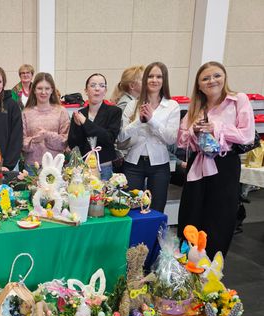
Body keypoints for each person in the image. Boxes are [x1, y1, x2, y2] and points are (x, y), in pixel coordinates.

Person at [177, 61, 255, 258]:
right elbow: (181, 140)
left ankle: (212, 263)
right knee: (191, 213)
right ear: (199, 85)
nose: (212, 80)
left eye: (217, 75)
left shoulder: (238, 100)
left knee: (219, 216)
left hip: (224, 164)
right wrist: (194, 131)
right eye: (205, 78)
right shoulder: (196, 107)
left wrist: (216, 128)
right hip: (197, 163)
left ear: (224, 77)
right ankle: (188, 260)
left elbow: (247, 135)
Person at [118, 62, 180, 213]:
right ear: (145, 79)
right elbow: (121, 137)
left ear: (164, 80)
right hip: (133, 162)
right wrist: (139, 121)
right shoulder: (132, 105)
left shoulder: (172, 105)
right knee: (130, 208)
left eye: (159, 77)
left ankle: (155, 231)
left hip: (160, 164)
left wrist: (152, 120)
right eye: (150, 76)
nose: (154, 80)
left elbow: (171, 139)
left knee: (157, 208)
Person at [68, 73, 122, 180]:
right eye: (93, 85)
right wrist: (78, 127)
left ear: (105, 91)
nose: (97, 89)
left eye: (102, 86)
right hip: (83, 167)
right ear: (86, 91)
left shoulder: (114, 111)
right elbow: (73, 144)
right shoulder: (79, 114)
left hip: (104, 167)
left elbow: (109, 138)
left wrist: (85, 122)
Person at [22, 72, 69, 171]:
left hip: (56, 166)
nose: (43, 92)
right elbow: (21, 142)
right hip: (32, 168)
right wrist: (35, 140)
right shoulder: (26, 113)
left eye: (47, 88)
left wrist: (47, 135)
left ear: (52, 90)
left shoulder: (61, 111)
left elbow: (65, 141)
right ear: (34, 90)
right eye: (39, 88)